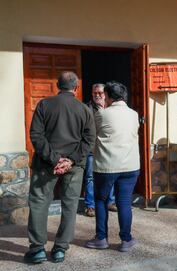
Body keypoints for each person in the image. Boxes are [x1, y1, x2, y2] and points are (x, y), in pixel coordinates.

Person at [25, 71, 95, 263]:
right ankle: (60, 249)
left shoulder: (44, 105)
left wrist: (55, 159)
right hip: (74, 166)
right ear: (76, 88)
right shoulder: (84, 109)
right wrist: (70, 160)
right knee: (70, 205)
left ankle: (37, 249)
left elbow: (36, 135)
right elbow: (89, 140)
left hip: (46, 164)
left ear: (58, 86)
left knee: (39, 203)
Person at [85, 81, 140, 252]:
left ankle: (101, 238)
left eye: (105, 95)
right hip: (130, 166)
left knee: (100, 201)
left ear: (108, 96)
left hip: (106, 166)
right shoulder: (134, 114)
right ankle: (126, 240)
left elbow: (92, 135)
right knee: (124, 202)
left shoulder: (101, 114)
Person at [83, 83, 117, 217]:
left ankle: (110, 202)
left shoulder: (112, 108)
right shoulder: (87, 108)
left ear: (105, 94)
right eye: (94, 93)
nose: (97, 95)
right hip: (93, 149)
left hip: (110, 149)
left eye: (100, 93)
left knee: (111, 176)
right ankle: (90, 206)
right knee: (90, 178)